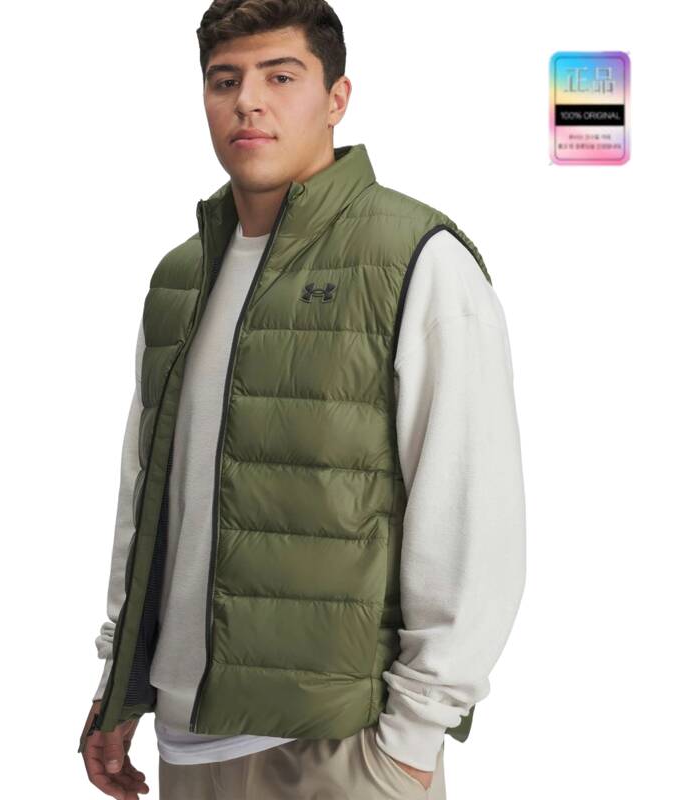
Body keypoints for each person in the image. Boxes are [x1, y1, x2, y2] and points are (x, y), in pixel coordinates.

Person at [78, 2, 526, 798]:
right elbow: (145, 498)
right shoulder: (182, 275)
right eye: (225, 81)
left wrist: (413, 739)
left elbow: (473, 512)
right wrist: (121, 683)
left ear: (336, 98)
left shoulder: (415, 259)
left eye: (280, 77)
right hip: (189, 744)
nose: (248, 101)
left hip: (341, 748)